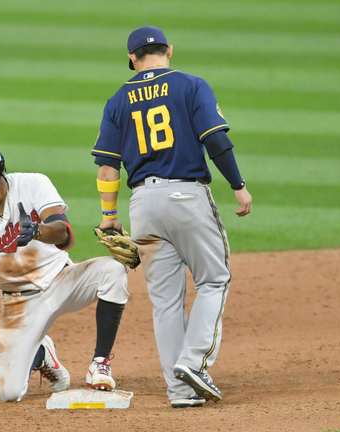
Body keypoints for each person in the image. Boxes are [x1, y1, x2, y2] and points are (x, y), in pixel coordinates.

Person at [91, 26, 252, 408]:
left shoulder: (118, 100)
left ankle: (180, 391)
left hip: (142, 205)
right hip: (187, 197)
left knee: (166, 301)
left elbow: (107, 169)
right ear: (170, 51)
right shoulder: (191, 85)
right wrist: (238, 184)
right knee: (214, 279)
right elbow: (215, 139)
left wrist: (109, 217)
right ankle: (193, 362)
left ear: (132, 58)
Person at [0, 135, 130, 402]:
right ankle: (41, 354)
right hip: (18, 301)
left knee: (113, 271)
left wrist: (38, 231)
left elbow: (65, 234)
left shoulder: (32, 184)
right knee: (8, 393)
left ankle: (100, 363)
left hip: (63, 278)